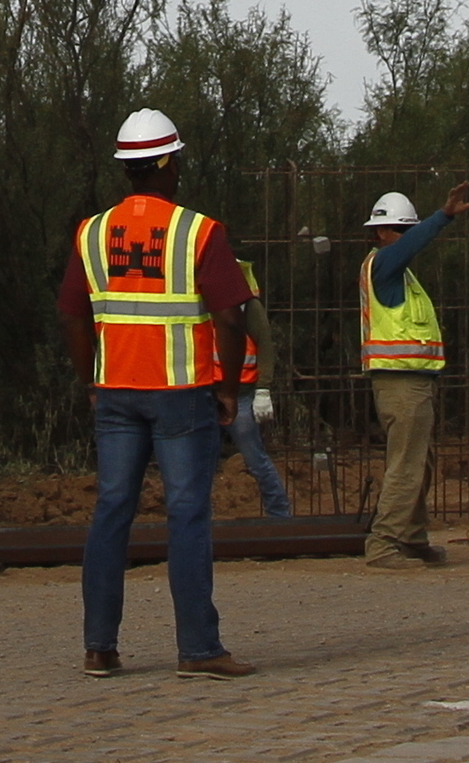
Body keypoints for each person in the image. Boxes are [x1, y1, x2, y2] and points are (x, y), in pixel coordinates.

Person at [57, 106, 266, 679]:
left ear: (127, 168)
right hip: (181, 392)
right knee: (187, 513)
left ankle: (99, 647)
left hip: (116, 394)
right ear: (170, 163)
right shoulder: (200, 231)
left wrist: (91, 384)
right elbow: (229, 315)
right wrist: (227, 389)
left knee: (111, 511)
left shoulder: (91, 232)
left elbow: (73, 317)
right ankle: (198, 650)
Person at [356, 181, 469, 570]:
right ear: (381, 232)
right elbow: (410, 247)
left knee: (418, 462)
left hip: (411, 380)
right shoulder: (384, 264)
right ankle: (385, 544)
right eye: (402, 231)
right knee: (407, 464)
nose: (407, 239)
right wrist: (441, 218)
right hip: (400, 381)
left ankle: (410, 536)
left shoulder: (398, 275)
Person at [227, 255, 298, 521]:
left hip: (242, 392)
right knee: (198, 463)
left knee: (255, 459)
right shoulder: (200, 301)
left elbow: (265, 345)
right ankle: (198, 521)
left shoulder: (248, 306)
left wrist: (263, 389)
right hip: (207, 391)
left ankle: (279, 517)